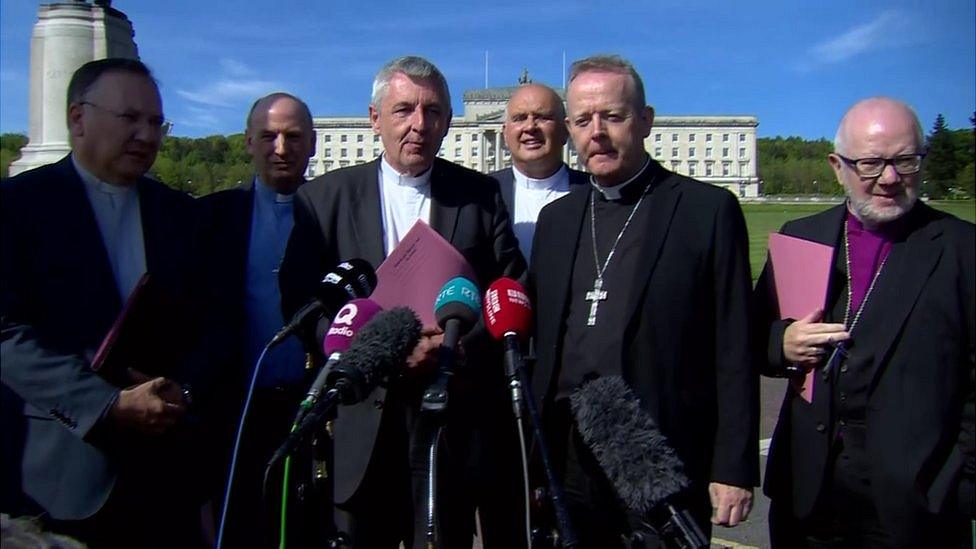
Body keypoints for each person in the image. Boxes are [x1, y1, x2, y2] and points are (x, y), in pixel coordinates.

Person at [278, 55, 526, 548]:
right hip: (359, 421)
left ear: (449, 122)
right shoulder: (324, 198)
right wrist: (371, 351)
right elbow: (301, 300)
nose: (419, 124)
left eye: (433, 111)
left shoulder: (480, 195)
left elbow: (506, 286)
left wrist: (451, 344)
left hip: (447, 423)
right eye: (404, 109)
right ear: (375, 119)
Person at [527, 54, 757, 546]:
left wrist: (733, 466)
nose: (598, 133)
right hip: (568, 451)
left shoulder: (705, 210)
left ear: (645, 120)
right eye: (585, 120)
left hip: (660, 451)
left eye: (613, 116)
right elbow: (543, 345)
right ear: (570, 128)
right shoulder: (558, 219)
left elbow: (734, 346)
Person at [0, 58, 210, 548]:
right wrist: (106, 405)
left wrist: (188, 388)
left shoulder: (180, 214)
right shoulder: (16, 207)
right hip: (60, 480)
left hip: (167, 472)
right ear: (78, 118)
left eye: (156, 123)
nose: (146, 134)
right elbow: (6, 335)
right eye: (130, 118)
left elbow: (212, 319)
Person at [755, 97, 975, 547]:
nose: (890, 178)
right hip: (808, 499)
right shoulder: (801, 236)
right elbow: (748, 340)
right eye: (872, 164)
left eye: (905, 161)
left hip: (915, 506)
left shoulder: (962, 249)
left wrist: (962, 485)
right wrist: (782, 343)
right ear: (838, 166)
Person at [200, 93, 317, 547]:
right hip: (237, 408)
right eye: (268, 136)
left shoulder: (336, 209)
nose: (281, 148)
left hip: (312, 411)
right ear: (248, 142)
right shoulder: (212, 217)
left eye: (292, 136)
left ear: (311, 143)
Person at [489, 83, 588, 259]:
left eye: (542, 117)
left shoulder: (593, 192)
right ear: (505, 133)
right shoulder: (481, 195)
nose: (530, 127)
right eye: (520, 118)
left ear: (565, 131)